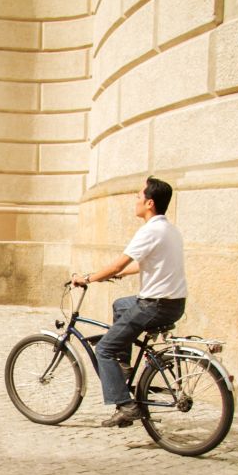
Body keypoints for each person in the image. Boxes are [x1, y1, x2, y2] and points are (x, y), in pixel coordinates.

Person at [70, 176, 187, 428]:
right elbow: (148, 264)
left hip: (154, 305)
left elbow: (116, 264)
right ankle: (122, 367)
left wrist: (87, 278)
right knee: (121, 304)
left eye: (138, 196)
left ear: (150, 203)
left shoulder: (149, 231)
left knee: (104, 349)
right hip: (174, 304)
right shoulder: (170, 229)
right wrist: (122, 274)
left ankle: (125, 405)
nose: (135, 200)